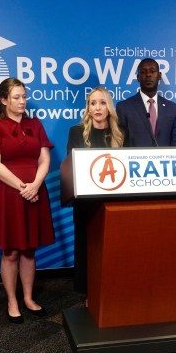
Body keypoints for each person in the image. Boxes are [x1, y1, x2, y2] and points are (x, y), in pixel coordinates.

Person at [0, 77, 55, 324]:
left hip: (35, 193)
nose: (22, 101)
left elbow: (45, 159)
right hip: (7, 196)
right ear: (3, 100)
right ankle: (12, 301)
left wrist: (35, 185)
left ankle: (28, 298)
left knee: (29, 250)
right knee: (11, 251)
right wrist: (22, 187)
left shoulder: (35, 124)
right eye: (16, 97)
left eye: (24, 96)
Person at [66, 86, 125, 294]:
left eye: (102, 103)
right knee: (86, 247)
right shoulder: (76, 131)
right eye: (93, 103)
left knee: (112, 247)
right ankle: (87, 292)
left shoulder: (121, 133)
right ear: (88, 108)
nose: (97, 107)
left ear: (109, 107)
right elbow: (72, 165)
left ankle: (112, 289)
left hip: (114, 202)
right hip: (86, 202)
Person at [116, 58, 176, 147]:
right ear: (138, 77)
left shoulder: (172, 108)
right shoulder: (124, 107)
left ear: (159, 76)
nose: (148, 75)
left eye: (152, 71)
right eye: (143, 72)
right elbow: (119, 143)